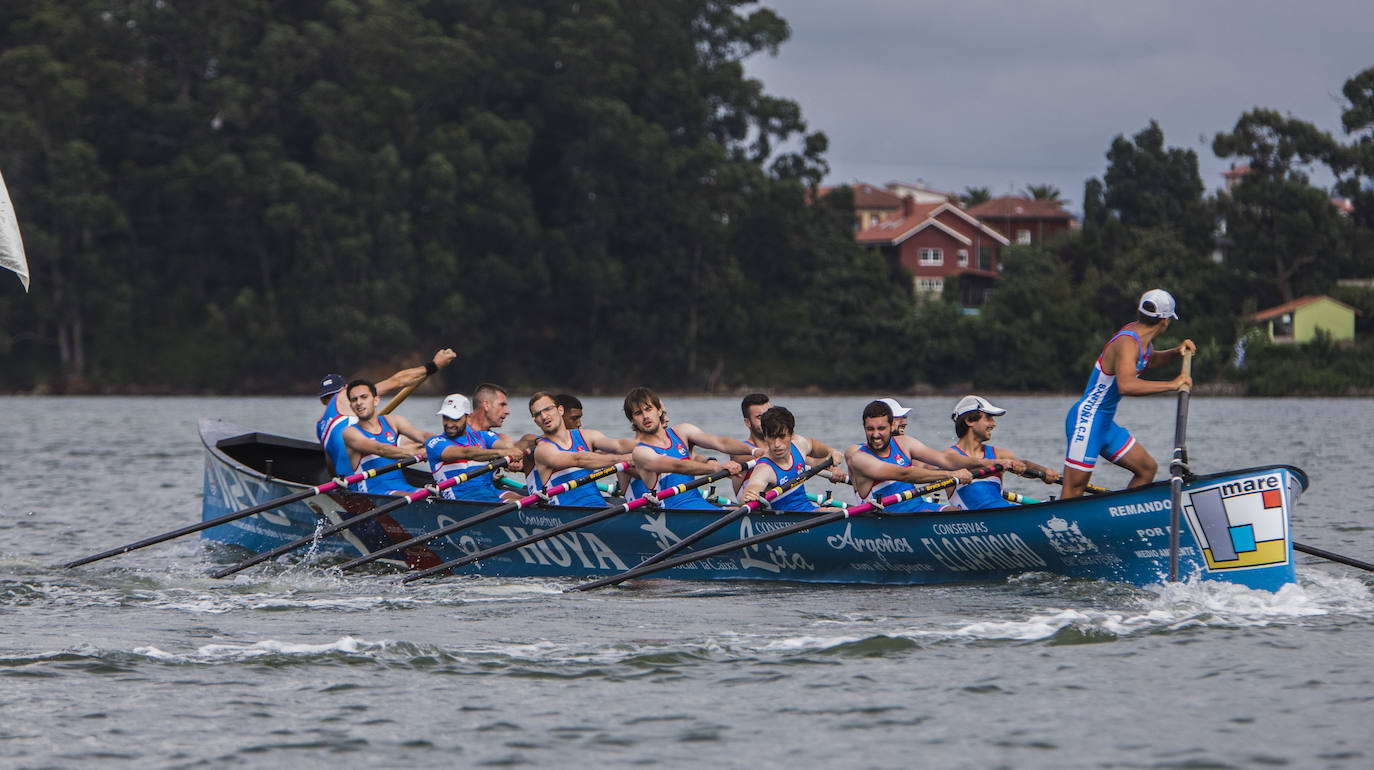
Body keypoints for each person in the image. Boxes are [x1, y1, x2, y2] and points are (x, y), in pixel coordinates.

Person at [1062, 289, 1196, 498]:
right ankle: (1062, 527)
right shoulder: (1127, 343)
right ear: (1165, 321)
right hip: (1087, 420)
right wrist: (1172, 385)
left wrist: (1175, 352)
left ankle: (1119, 517)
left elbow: (1149, 360)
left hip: (1105, 424)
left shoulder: (1141, 340)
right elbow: (1127, 385)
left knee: (1146, 469)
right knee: (1075, 488)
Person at [846, 400, 1016, 514]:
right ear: (863, 427)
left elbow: (946, 459)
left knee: (956, 514)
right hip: (888, 518)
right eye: (870, 429)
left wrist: (993, 462)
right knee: (929, 515)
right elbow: (904, 474)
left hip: (918, 508)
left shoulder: (905, 443)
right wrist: (951, 475)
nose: (876, 435)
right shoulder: (859, 459)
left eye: (881, 429)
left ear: (891, 426)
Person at [316, 348, 456, 474]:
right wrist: (434, 365)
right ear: (346, 389)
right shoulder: (346, 397)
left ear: (322, 400)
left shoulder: (320, 426)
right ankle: (455, 452)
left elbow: (331, 466)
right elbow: (398, 381)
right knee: (414, 440)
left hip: (348, 476)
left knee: (401, 436)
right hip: (363, 470)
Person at [623, 387, 754, 509]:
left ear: (659, 411)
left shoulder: (682, 432)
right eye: (639, 413)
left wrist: (755, 451)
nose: (645, 416)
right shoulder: (639, 451)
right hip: (673, 513)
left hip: (698, 504)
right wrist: (716, 468)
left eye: (648, 409)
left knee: (742, 508)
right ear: (632, 420)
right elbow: (677, 466)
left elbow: (720, 442)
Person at [946, 396, 1061, 510]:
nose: (994, 424)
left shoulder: (1000, 454)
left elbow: (1024, 464)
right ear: (969, 421)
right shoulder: (949, 456)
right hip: (974, 522)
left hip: (1004, 512)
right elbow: (931, 473)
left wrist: (1045, 472)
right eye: (989, 418)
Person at [527, 392, 636, 507]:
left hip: (599, 509)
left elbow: (619, 445)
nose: (544, 416)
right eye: (538, 414)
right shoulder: (543, 449)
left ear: (560, 410)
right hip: (569, 515)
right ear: (536, 421)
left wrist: (649, 446)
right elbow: (579, 459)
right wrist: (623, 459)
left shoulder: (586, 436)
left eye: (547, 409)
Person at [734, 392, 847, 491]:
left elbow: (808, 450)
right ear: (747, 422)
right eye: (760, 417)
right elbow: (807, 461)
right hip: (758, 506)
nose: (767, 419)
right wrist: (824, 464)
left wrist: (831, 455)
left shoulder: (788, 445)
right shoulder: (742, 451)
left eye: (768, 412)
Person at [424, 393, 526, 502]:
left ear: (468, 417)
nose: (449, 424)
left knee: (525, 500)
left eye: (455, 419)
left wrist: (519, 451)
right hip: (462, 498)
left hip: (490, 491)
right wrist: (502, 453)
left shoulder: (483, 436)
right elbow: (468, 453)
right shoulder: (435, 443)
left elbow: (508, 446)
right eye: (446, 418)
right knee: (518, 506)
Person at [340, 379, 432, 495]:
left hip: (403, 487)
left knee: (432, 496)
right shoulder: (350, 432)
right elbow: (380, 449)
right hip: (374, 493)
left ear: (376, 400)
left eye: (364, 397)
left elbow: (422, 436)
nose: (359, 403)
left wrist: (444, 444)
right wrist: (414, 453)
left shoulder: (393, 421)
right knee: (422, 498)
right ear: (351, 406)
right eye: (354, 400)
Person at [738, 407, 840, 512]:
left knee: (839, 512)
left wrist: (831, 451)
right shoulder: (764, 469)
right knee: (836, 513)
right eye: (772, 437)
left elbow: (813, 445)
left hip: (809, 511)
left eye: (782, 436)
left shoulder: (799, 445)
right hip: (787, 521)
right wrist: (749, 496)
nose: (776, 444)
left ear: (792, 434)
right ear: (765, 436)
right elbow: (747, 494)